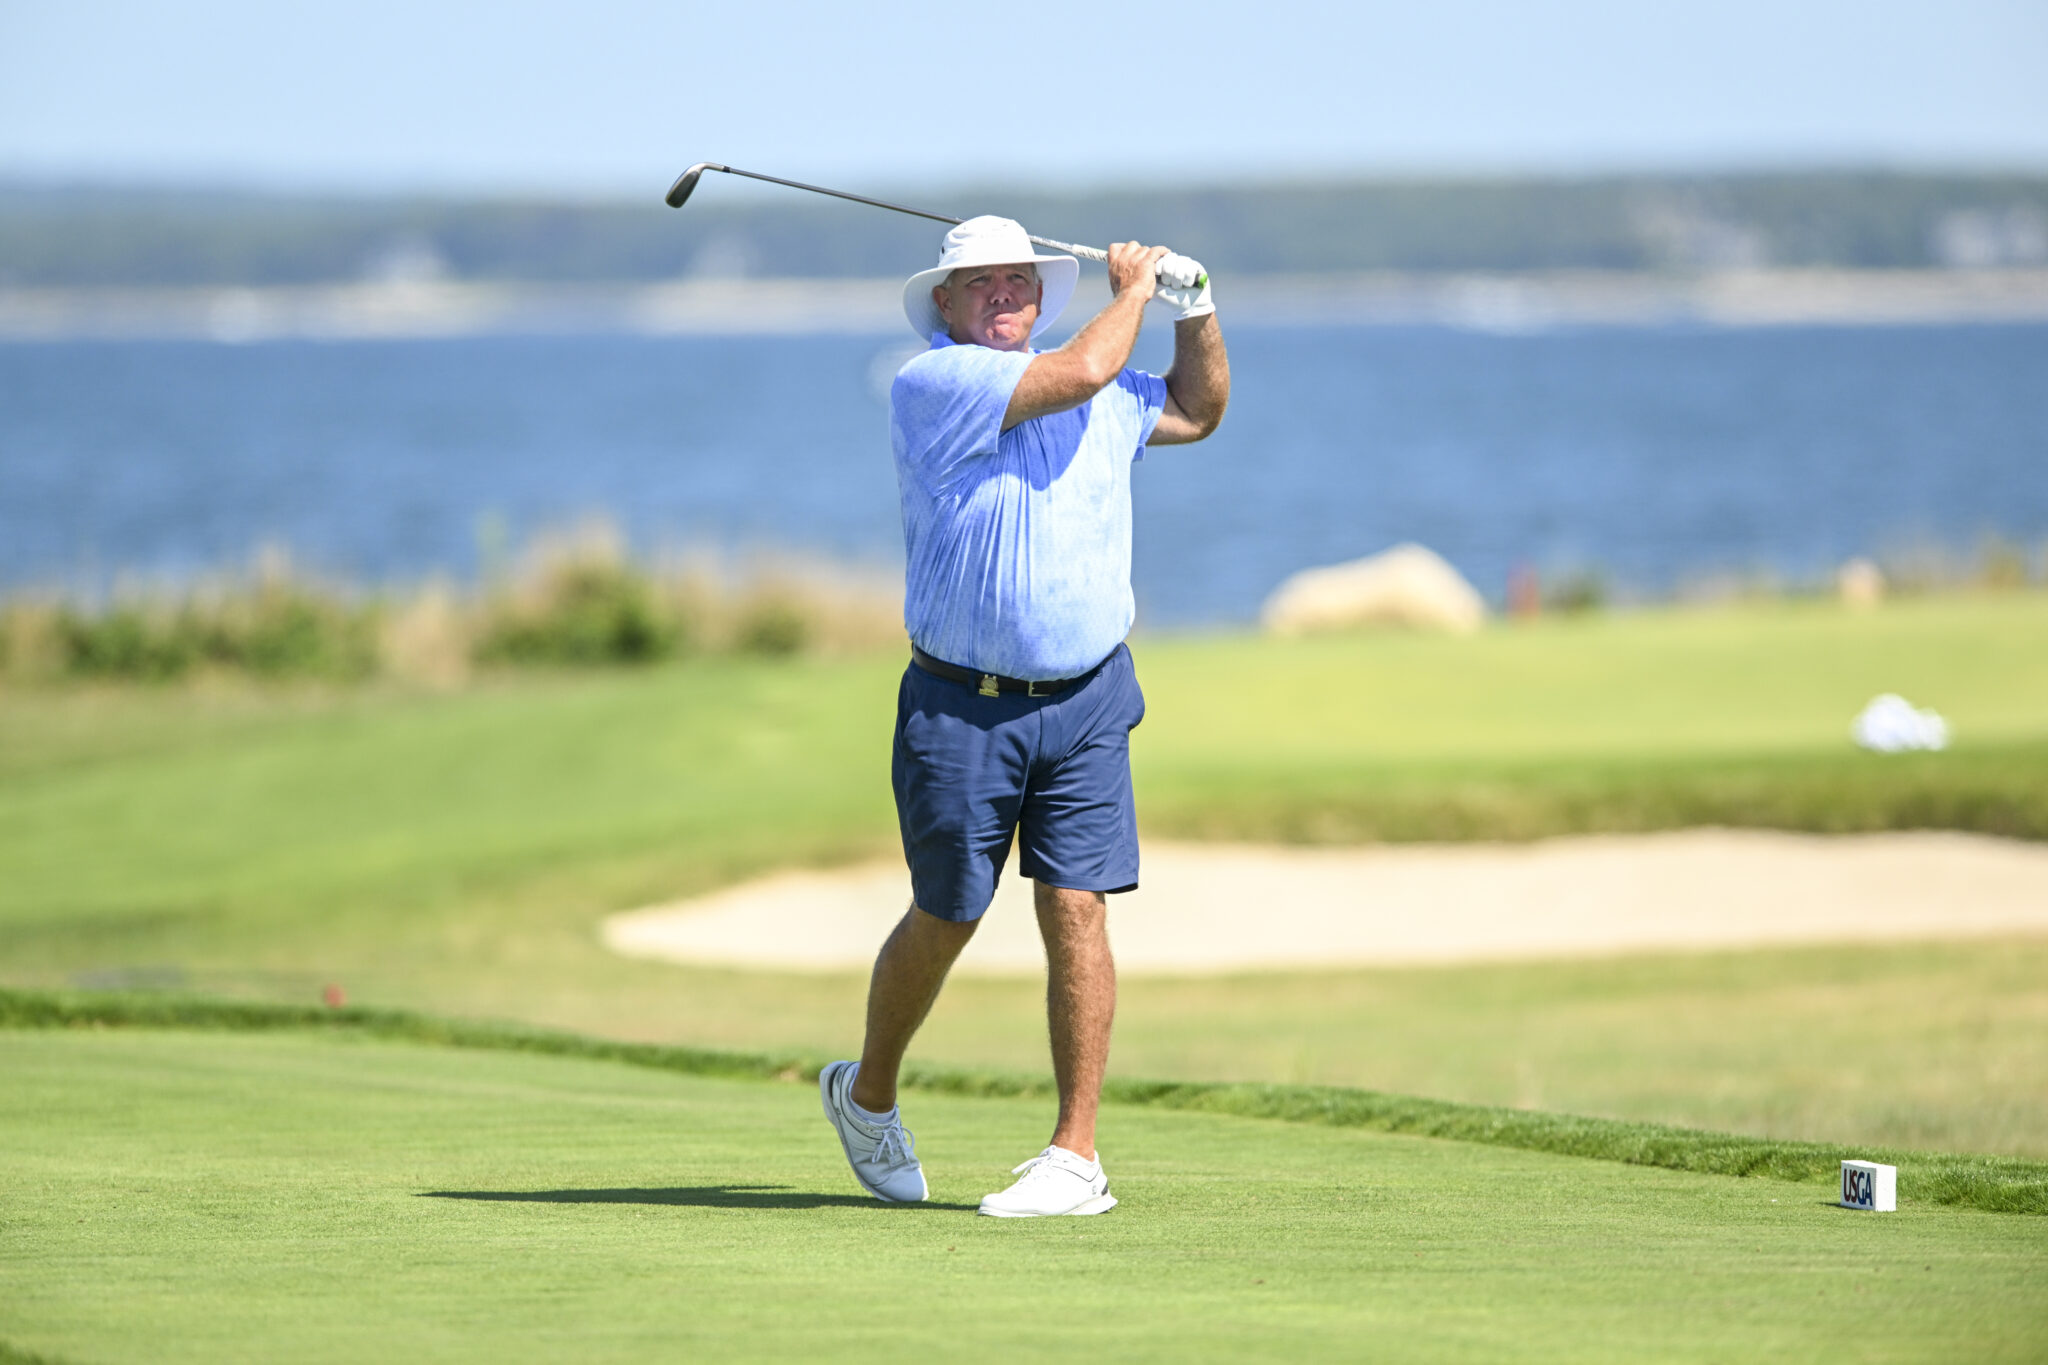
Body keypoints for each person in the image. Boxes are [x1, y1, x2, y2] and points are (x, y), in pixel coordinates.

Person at [819, 216, 1229, 1217]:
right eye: (981, 283)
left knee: (1076, 903)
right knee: (949, 909)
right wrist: (1134, 287)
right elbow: (1086, 373)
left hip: (1087, 698)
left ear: (1041, 296)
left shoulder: (1098, 380)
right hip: (963, 707)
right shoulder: (936, 385)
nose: (1003, 294)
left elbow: (1194, 408)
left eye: (1018, 280)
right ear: (947, 306)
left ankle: (1074, 1155)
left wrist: (1198, 306)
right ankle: (866, 1096)